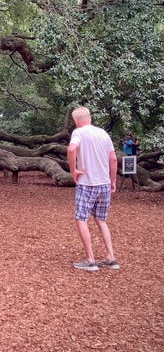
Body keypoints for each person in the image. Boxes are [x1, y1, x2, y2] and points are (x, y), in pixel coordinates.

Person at [67, 107, 119, 271]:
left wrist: (73, 169)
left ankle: (90, 260)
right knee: (101, 220)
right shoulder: (103, 133)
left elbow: (71, 149)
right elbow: (113, 158)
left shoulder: (78, 133)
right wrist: (113, 180)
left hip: (87, 183)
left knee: (81, 219)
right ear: (89, 118)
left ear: (76, 121)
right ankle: (111, 257)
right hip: (103, 183)